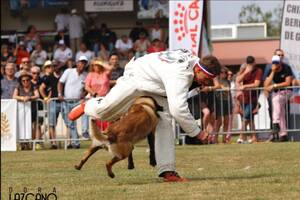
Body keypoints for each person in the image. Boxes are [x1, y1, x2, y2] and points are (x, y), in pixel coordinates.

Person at [69, 49, 221, 182]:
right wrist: (198, 133)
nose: (207, 83)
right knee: (106, 111)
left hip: (156, 84)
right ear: (199, 70)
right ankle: (87, 105)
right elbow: (179, 109)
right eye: (207, 79)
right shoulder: (179, 74)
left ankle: (167, 170)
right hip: (138, 75)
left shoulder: (194, 63)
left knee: (165, 121)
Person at [58, 55, 88, 148]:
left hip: (78, 101)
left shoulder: (86, 75)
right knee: (70, 123)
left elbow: (87, 87)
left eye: (84, 63)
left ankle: (84, 131)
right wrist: (59, 94)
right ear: (77, 63)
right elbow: (60, 82)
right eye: (81, 62)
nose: (82, 64)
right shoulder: (69, 71)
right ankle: (76, 142)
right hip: (66, 101)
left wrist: (84, 93)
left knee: (86, 110)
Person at [264, 55, 293, 142]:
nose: (276, 64)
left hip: (286, 91)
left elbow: (288, 83)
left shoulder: (286, 68)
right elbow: (266, 85)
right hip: (277, 92)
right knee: (280, 112)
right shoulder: (270, 70)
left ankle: (275, 124)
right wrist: (272, 72)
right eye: (274, 62)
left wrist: (275, 85)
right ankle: (283, 135)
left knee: (276, 101)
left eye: (277, 62)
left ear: (280, 62)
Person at [236, 56, 262, 144]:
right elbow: (238, 80)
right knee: (250, 119)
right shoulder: (245, 70)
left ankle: (241, 136)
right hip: (244, 98)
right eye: (249, 63)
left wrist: (245, 86)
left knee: (246, 117)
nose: (250, 64)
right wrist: (246, 72)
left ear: (254, 62)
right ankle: (254, 137)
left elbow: (256, 84)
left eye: (251, 63)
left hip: (253, 99)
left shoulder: (258, 71)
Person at [13, 72, 39, 150]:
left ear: (29, 80)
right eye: (23, 80)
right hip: (21, 109)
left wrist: (29, 98)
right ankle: (22, 143)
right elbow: (14, 96)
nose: (25, 82)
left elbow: (37, 95)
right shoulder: (18, 86)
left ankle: (31, 143)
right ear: (21, 81)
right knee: (21, 125)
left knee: (32, 125)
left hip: (32, 108)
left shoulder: (33, 86)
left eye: (27, 80)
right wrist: (22, 98)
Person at [39, 60, 61, 149]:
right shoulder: (47, 77)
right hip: (52, 102)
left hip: (62, 102)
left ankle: (69, 143)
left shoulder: (61, 77)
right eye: (51, 66)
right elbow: (41, 88)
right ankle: (54, 143)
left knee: (68, 124)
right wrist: (45, 98)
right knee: (51, 124)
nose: (53, 67)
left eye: (55, 66)